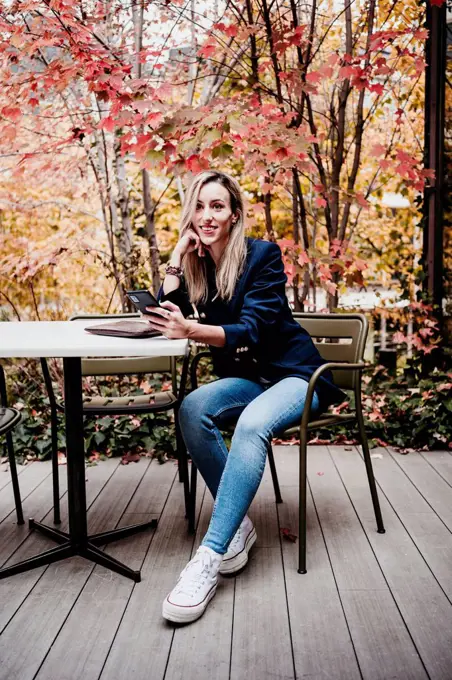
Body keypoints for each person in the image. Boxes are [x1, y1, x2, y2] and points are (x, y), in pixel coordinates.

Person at [144, 170, 345, 625]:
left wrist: (192, 329)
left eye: (217, 206)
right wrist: (177, 256)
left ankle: (209, 557)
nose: (207, 215)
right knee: (194, 408)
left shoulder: (262, 257)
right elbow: (164, 311)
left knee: (253, 423)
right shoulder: (198, 264)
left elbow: (251, 330)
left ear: (235, 214)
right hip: (251, 378)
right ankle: (238, 526)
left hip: (296, 376)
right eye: (199, 206)